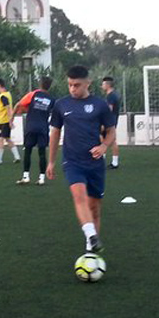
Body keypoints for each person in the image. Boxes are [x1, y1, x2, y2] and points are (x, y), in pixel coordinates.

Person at [47, 65, 116, 253]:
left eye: (76, 85)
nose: (72, 89)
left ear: (88, 83)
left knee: (94, 208)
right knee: (79, 196)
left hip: (94, 164)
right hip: (72, 161)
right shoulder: (61, 105)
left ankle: (90, 250)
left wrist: (103, 146)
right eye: (69, 85)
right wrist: (51, 161)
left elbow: (111, 131)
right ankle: (91, 235)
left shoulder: (100, 105)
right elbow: (55, 134)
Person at [12, 77, 55, 185]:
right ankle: (41, 179)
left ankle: (26, 177)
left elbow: (18, 104)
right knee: (42, 153)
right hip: (43, 128)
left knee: (27, 151)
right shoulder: (51, 99)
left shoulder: (33, 94)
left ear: (40, 84)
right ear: (50, 86)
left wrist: (11, 118)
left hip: (31, 127)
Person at [0, 79, 21, 165]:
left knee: (0, 139)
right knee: (7, 138)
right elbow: (2, 108)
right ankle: (17, 156)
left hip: (4, 121)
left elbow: (8, 108)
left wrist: (10, 121)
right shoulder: (7, 94)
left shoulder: (3, 96)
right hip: (1, 120)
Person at [101, 76, 121, 169]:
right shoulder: (114, 95)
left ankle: (113, 162)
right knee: (107, 140)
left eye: (103, 84)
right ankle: (111, 161)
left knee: (110, 140)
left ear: (107, 85)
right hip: (112, 120)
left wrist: (104, 121)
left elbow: (109, 110)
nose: (102, 86)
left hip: (109, 122)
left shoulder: (111, 96)